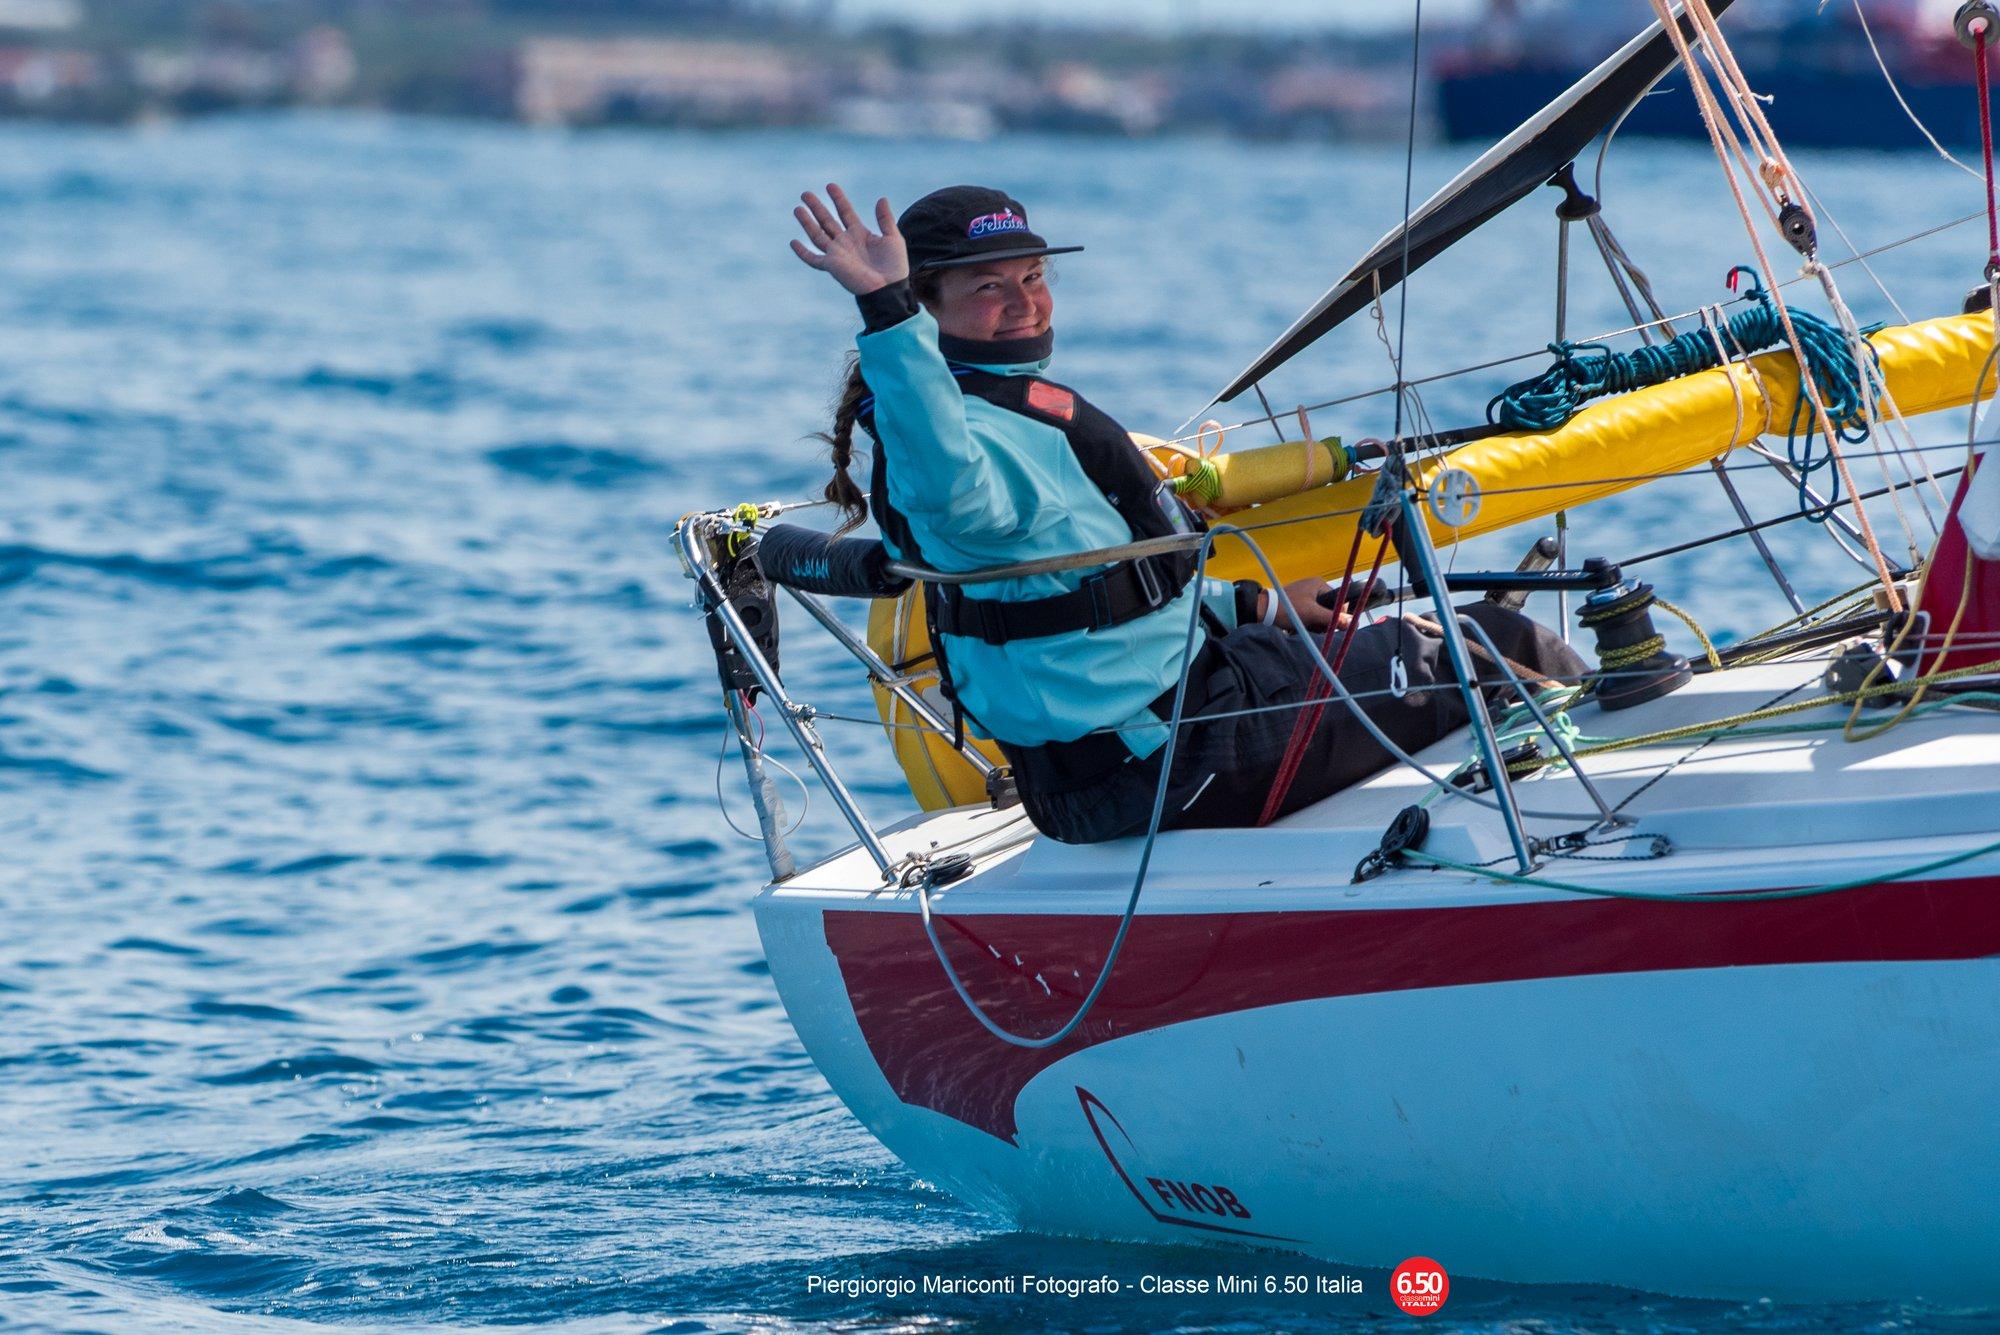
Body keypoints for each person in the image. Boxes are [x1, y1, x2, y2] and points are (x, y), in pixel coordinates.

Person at [791, 182, 1585, 843]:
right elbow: (950, 481)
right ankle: (1587, 826)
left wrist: (1259, 602)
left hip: (1123, 759)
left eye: (1033, 277)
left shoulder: (1004, 419)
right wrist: (886, 308)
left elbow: (1090, 590)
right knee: (1494, 642)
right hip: (1176, 761)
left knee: (1382, 637)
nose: (1024, 304)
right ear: (927, 313)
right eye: (988, 287)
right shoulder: (951, 454)